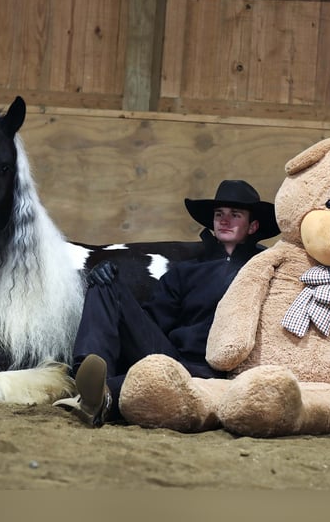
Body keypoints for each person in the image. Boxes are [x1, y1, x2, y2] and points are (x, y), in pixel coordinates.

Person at [53, 179, 281, 427]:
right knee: (104, 280)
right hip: (170, 357)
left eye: (235, 215)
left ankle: (97, 395)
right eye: (219, 214)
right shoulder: (184, 272)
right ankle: (88, 371)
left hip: (213, 370)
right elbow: (153, 321)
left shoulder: (265, 269)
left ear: (253, 226)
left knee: (145, 382)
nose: (224, 220)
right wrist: (105, 280)